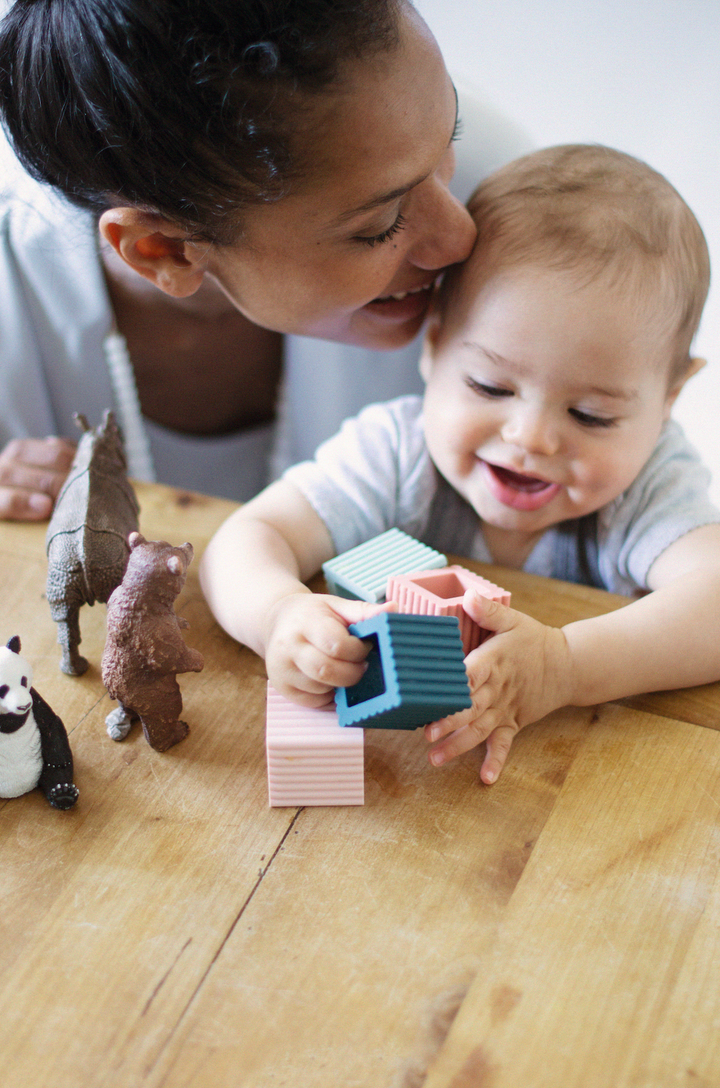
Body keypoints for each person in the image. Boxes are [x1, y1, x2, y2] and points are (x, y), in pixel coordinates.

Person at [199, 144, 720, 786]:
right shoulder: (395, 451)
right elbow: (247, 539)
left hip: (583, 787)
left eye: (589, 415)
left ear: (669, 399)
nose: (529, 437)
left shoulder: (648, 483)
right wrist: (277, 613)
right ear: (436, 341)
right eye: (491, 388)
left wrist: (564, 665)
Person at [0, 0, 528, 518]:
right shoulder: (13, 318)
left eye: (449, 144)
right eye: (379, 225)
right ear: (164, 251)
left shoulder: (507, 191)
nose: (462, 237)